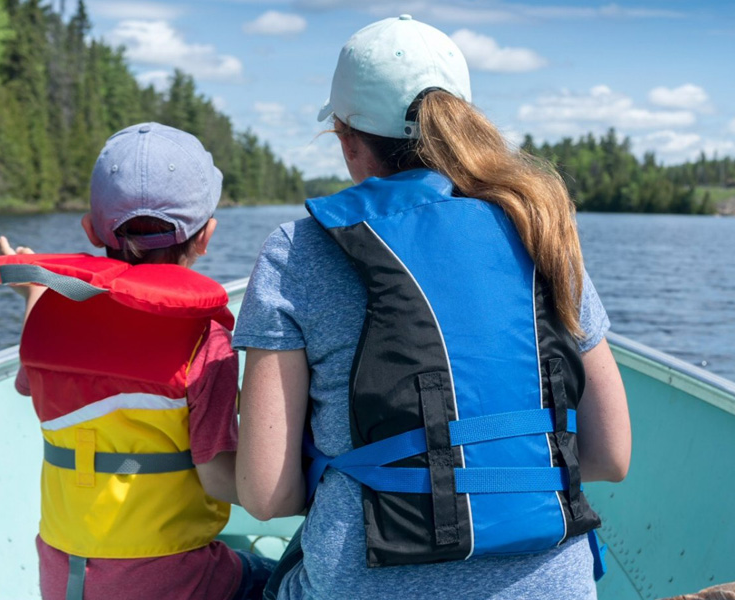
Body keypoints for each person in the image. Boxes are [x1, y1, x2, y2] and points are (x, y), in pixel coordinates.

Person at [233, 15, 630, 600]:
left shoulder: (301, 251)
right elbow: (611, 455)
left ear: (346, 139)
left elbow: (267, 497)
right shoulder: (540, 226)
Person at [0, 123, 273, 600]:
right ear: (207, 236)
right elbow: (220, 479)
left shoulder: (50, 320)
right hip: (171, 581)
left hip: (63, 578)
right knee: (280, 575)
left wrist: (37, 293)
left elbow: (28, 383)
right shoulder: (206, 338)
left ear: (92, 231)